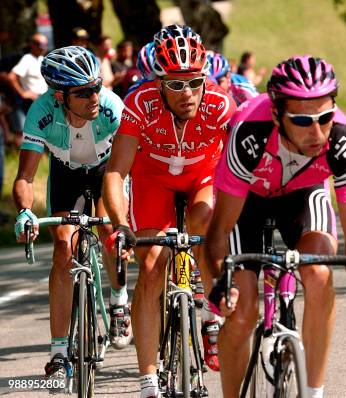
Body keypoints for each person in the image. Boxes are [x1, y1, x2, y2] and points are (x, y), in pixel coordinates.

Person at [205, 55, 346, 398]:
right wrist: (220, 286)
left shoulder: (343, 142)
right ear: (276, 114)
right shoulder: (249, 134)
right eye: (302, 120)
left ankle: (314, 392)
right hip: (248, 202)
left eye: (325, 117)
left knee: (319, 275)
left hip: (304, 196)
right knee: (242, 311)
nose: (317, 133)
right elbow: (218, 232)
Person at [101, 24, 236, 398]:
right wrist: (119, 225)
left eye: (194, 81)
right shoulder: (140, 103)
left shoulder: (221, 104)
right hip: (153, 180)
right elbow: (116, 172)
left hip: (202, 176)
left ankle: (210, 316)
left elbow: (237, 170)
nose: (187, 93)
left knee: (207, 227)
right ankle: (147, 380)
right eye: (175, 84)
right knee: (150, 266)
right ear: (158, 82)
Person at [12, 46, 132, 387]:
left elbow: (133, 163)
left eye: (96, 86)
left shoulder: (111, 107)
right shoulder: (41, 113)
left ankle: (119, 299)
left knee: (111, 230)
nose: (94, 96)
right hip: (65, 174)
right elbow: (25, 177)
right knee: (63, 249)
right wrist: (24, 211)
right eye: (83, 92)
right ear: (60, 96)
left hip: (107, 171)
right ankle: (60, 351)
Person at [7, 33, 49, 145]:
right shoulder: (27, 59)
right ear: (33, 45)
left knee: (42, 130)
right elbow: (12, 77)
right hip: (30, 102)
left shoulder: (42, 59)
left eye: (45, 44)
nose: (44, 47)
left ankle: (40, 156)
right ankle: (21, 157)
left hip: (42, 101)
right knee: (24, 132)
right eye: (41, 44)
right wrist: (23, 93)